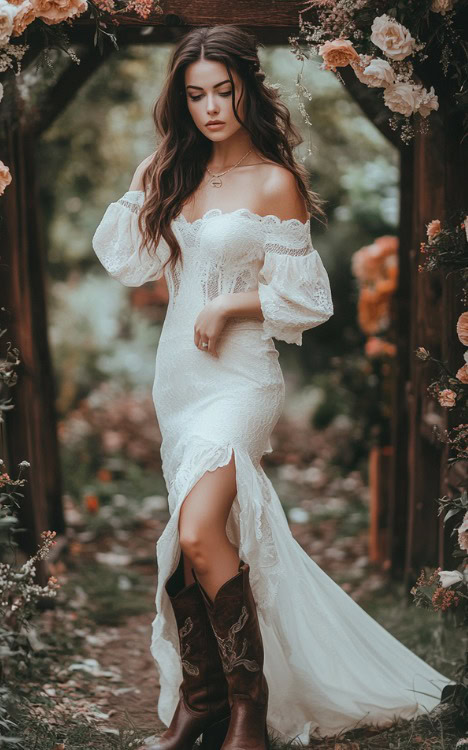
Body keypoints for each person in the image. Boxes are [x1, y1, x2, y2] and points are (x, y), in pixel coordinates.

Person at [92, 24, 452, 749]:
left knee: (198, 531)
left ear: (246, 89)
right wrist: (141, 183)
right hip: (179, 381)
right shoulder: (174, 172)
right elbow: (126, 262)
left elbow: (311, 299)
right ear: (181, 100)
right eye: (195, 95)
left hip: (243, 379)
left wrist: (233, 302)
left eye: (222, 91)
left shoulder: (274, 181)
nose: (210, 107)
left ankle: (247, 710)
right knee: (196, 543)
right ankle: (203, 704)